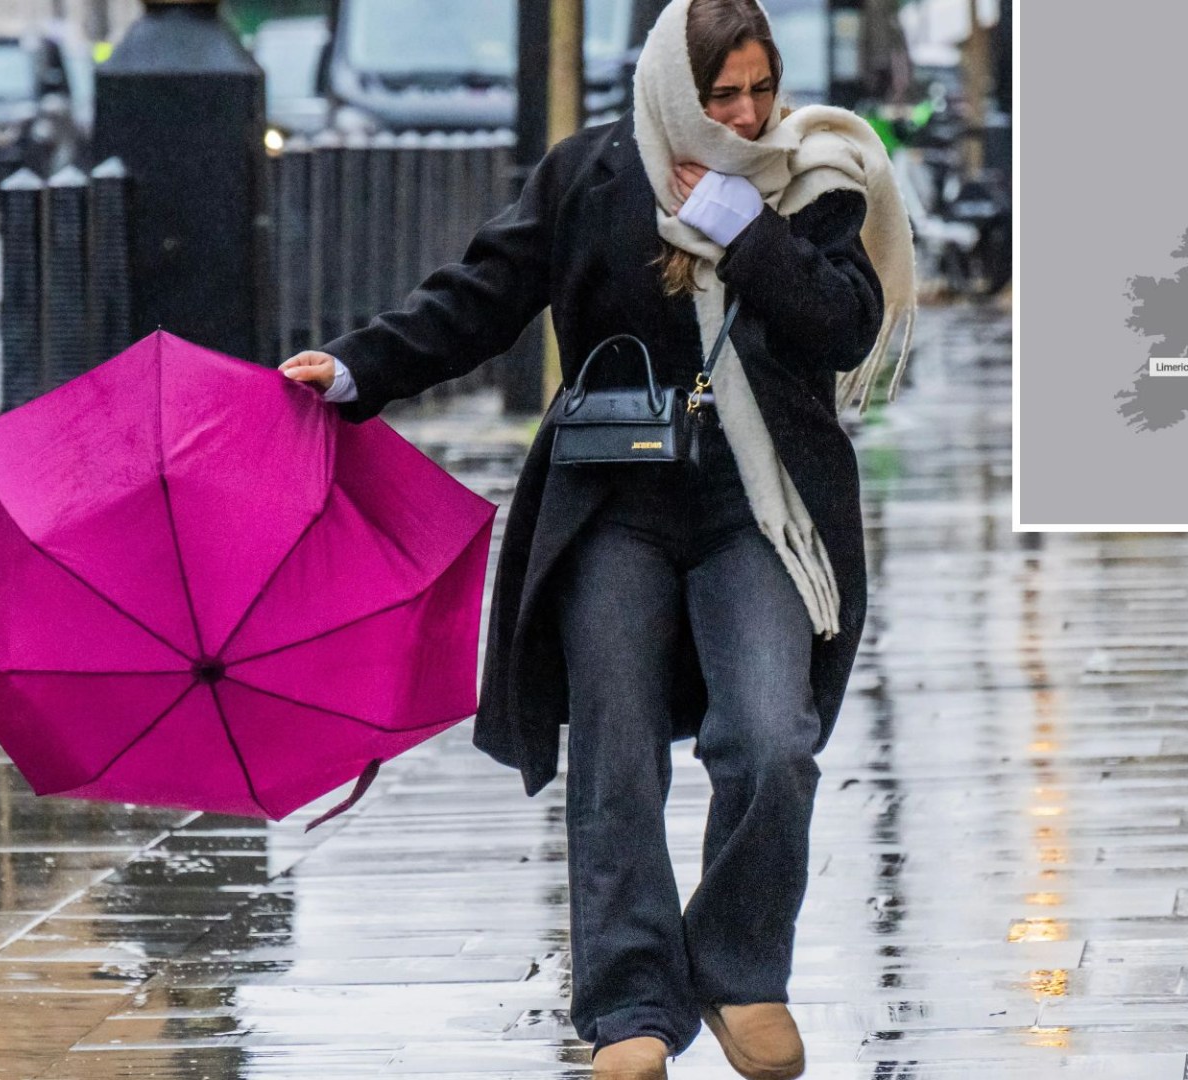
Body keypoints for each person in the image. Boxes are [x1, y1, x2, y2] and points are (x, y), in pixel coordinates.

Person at [277, 1, 913, 1076]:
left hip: (754, 513)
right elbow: (478, 300)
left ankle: (739, 971)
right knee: (614, 760)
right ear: (676, 88)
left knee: (772, 741)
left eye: (762, 87)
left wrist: (748, 233)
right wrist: (352, 372)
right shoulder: (591, 176)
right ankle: (629, 1013)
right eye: (723, 96)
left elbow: (843, 325)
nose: (749, 112)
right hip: (611, 507)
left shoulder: (809, 180)